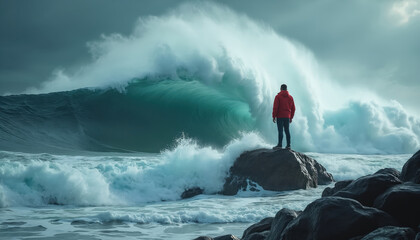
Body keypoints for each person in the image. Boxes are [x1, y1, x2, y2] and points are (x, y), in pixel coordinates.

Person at [272, 84, 295, 149]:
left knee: (280, 131)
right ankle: (288, 145)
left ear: (281, 89)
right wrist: (291, 117)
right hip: (287, 116)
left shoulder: (278, 96)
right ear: (286, 89)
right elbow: (293, 108)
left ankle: (280, 145)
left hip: (280, 116)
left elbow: (275, 107)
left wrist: (274, 116)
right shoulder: (290, 97)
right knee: (287, 131)